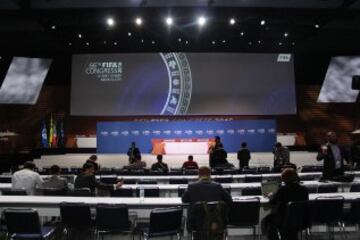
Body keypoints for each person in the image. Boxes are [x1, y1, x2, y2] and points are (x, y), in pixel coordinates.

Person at [182, 166, 232, 237]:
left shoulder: (191, 186)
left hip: (196, 224)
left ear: (198, 175)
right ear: (210, 175)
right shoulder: (217, 186)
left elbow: (184, 199)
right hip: (216, 222)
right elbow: (229, 200)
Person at [261, 168, 309, 240]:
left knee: (267, 221)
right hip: (301, 220)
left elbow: (272, 202)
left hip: (284, 220)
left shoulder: (283, 189)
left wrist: (271, 196)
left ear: (284, 179)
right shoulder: (304, 190)